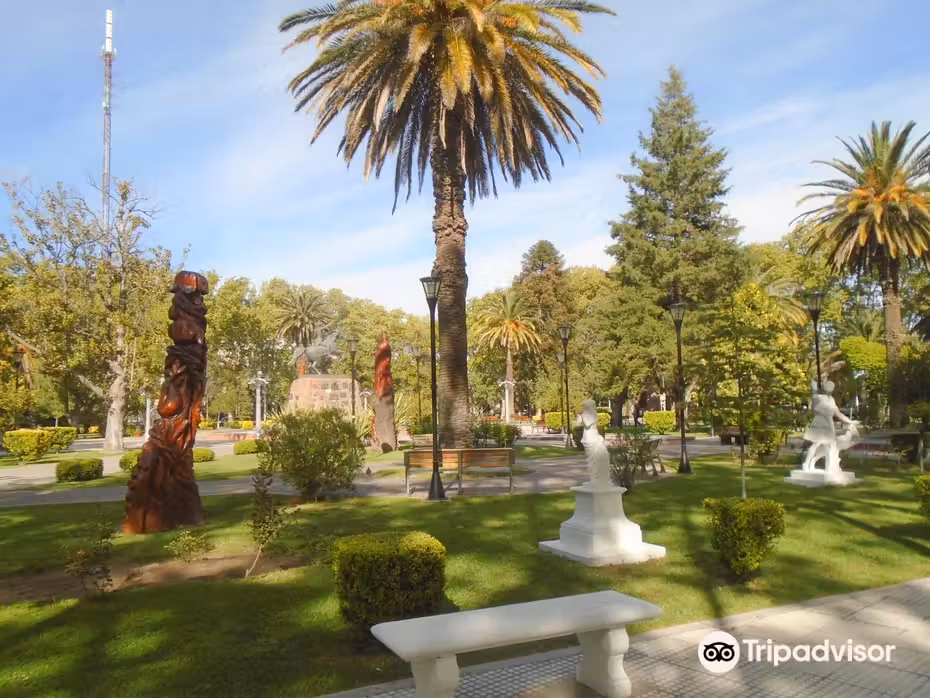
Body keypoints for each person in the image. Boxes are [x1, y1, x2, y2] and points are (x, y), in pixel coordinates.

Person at [801, 379, 857, 473]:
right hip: (820, 422)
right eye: (828, 386)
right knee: (816, 444)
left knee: (830, 445)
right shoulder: (818, 397)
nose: (829, 388)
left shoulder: (831, 400)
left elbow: (838, 413)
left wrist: (850, 421)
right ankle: (806, 463)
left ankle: (830, 467)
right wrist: (814, 389)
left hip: (829, 424)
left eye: (831, 387)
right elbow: (814, 408)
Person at [581, 399, 611, 488]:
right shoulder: (585, 414)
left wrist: (599, 436)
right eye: (593, 405)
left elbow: (595, 428)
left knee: (602, 455)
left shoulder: (593, 413)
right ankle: (593, 478)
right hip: (589, 438)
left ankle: (602, 477)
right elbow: (587, 424)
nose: (595, 407)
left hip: (595, 436)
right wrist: (595, 418)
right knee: (592, 460)